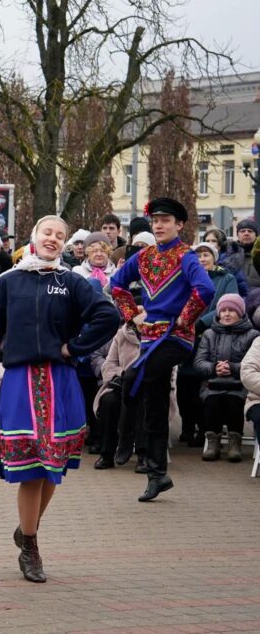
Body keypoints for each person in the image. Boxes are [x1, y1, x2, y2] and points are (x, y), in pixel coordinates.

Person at [0, 215, 119, 583]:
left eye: (60, 236)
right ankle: (30, 545)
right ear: (34, 236)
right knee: (31, 470)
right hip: (21, 382)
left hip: (60, 381)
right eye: (47, 232)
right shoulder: (8, 282)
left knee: (53, 469)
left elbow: (108, 315)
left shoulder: (71, 281)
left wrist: (73, 347)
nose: (53, 239)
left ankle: (27, 529)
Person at [110, 198, 215, 502]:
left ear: (179, 225)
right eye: (155, 220)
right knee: (152, 401)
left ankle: (125, 441)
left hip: (175, 338)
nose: (159, 225)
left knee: (135, 378)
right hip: (149, 338)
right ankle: (158, 474)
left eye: (166, 220)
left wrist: (185, 318)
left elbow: (205, 289)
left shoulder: (187, 257)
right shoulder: (144, 257)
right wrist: (134, 315)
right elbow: (116, 285)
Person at [193, 294, 258, 463]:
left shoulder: (252, 335)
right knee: (211, 400)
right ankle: (213, 441)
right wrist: (214, 368)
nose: (227, 314)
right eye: (224, 310)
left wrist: (233, 368)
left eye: (232, 310)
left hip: (240, 384)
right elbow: (199, 362)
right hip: (212, 383)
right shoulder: (209, 334)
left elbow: (253, 363)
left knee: (233, 401)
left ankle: (234, 441)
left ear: (241, 313)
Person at [92, 314, 143, 470]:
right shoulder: (121, 334)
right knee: (108, 401)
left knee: (145, 404)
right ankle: (106, 453)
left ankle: (144, 455)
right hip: (121, 384)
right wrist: (123, 375)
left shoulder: (158, 335)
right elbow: (108, 365)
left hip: (147, 386)